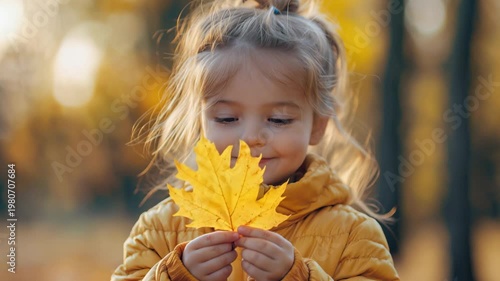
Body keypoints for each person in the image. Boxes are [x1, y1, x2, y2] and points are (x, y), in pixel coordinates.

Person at [112, 0, 400, 280]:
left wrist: (298, 276)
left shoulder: (353, 237)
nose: (250, 138)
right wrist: (176, 276)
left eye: (279, 119)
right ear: (200, 121)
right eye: (227, 118)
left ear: (318, 126)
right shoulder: (159, 231)